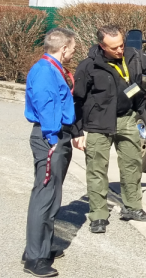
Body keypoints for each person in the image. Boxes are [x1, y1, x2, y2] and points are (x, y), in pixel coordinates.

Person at [73, 25, 146, 234]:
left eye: (121, 45)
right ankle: (98, 215)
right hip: (99, 123)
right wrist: (77, 131)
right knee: (97, 169)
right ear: (102, 46)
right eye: (114, 48)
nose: (120, 50)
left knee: (132, 166)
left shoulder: (133, 55)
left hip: (127, 119)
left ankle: (132, 207)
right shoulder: (88, 66)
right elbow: (77, 100)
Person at [23, 27, 81, 278]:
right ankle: (34, 257)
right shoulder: (46, 71)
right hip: (51, 137)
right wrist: (52, 137)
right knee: (45, 196)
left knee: (51, 195)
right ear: (64, 47)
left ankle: (42, 246)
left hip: (57, 134)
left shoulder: (49, 68)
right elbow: (46, 104)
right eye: (73, 48)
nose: (73, 52)